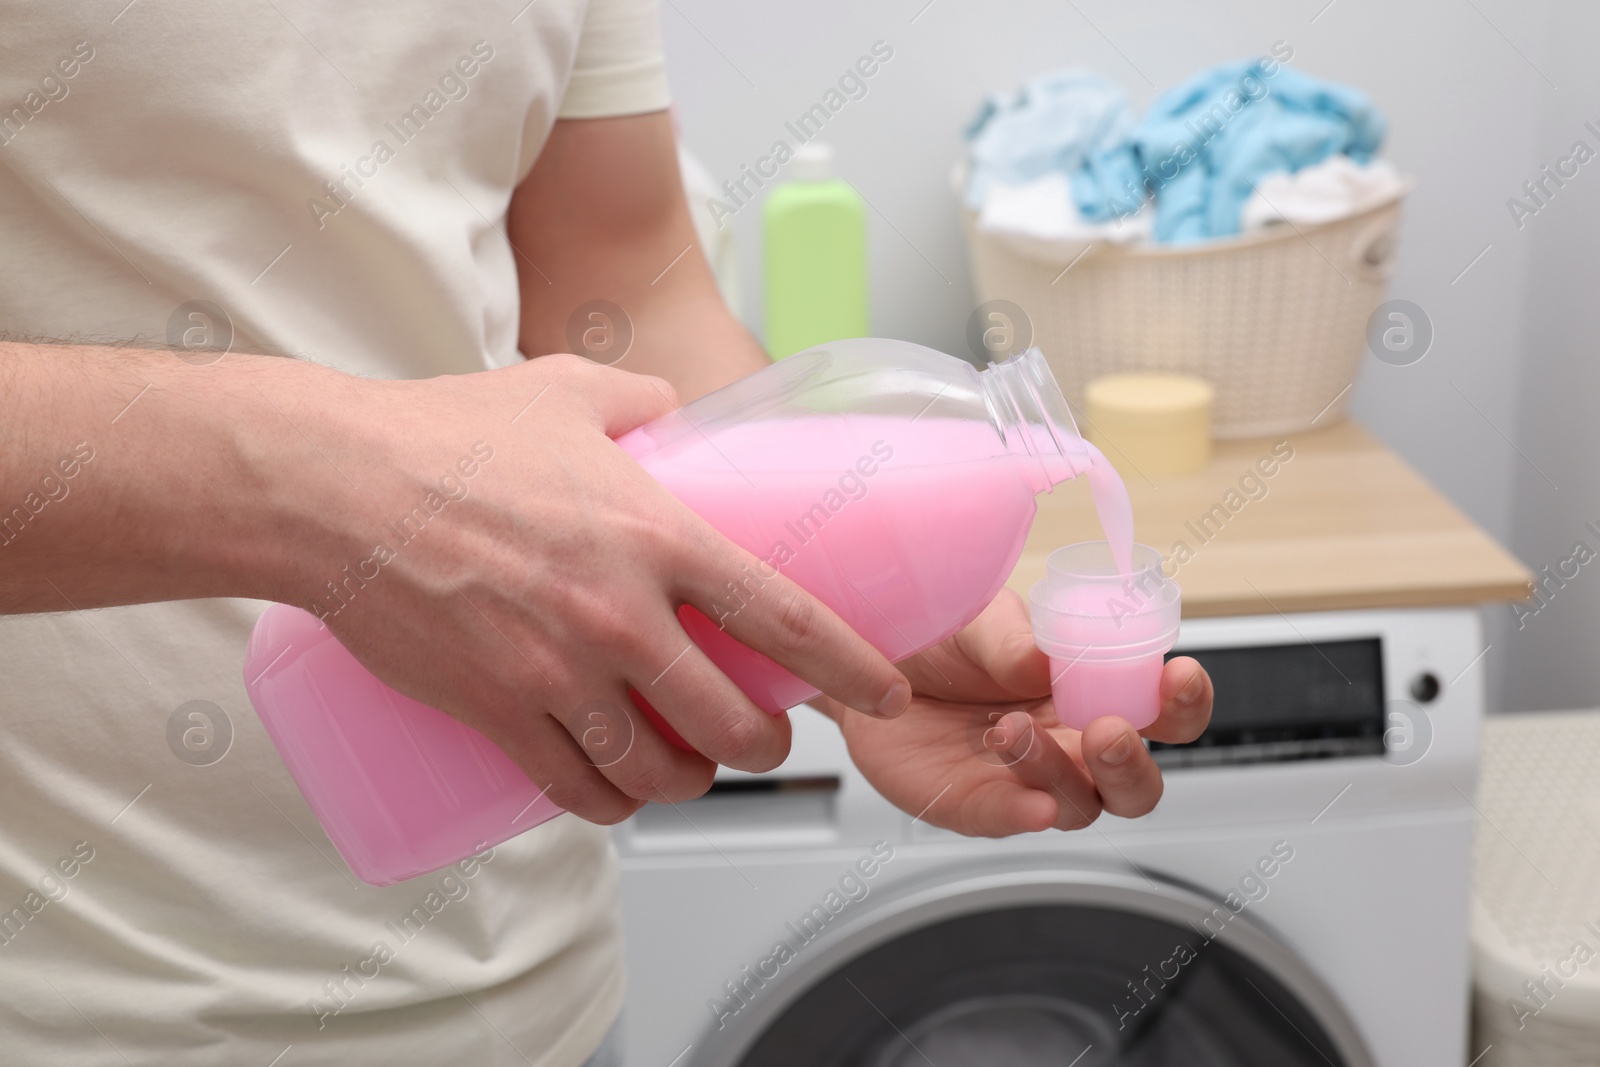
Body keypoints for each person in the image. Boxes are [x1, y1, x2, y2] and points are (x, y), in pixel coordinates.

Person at [0, 2, 1213, 1063]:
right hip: (77, 998)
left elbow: (623, 281)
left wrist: (851, 636)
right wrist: (334, 491)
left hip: (530, 987)